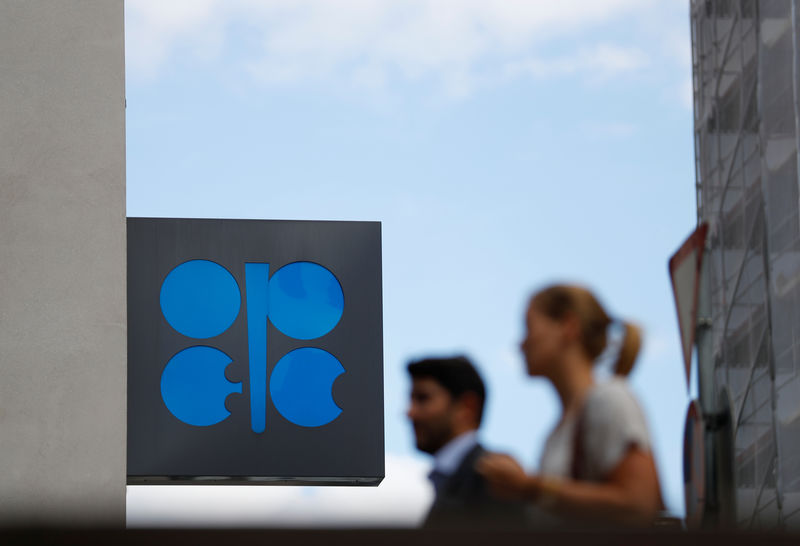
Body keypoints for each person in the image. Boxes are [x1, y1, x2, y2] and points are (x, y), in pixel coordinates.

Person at [477, 284, 662, 528]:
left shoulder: (609, 398)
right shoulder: (559, 430)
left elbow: (639, 505)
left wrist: (531, 487)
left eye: (529, 327)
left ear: (568, 326)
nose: (521, 344)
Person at [406, 356, 525, 528]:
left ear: (467, 407)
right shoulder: (452, 481)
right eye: (411, 400)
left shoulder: (494, 480)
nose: (410, 412)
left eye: (423, 398)